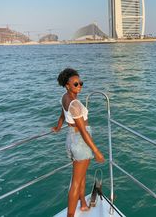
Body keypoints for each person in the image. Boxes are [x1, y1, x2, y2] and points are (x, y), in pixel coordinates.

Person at [52, 68, 104, 217]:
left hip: (71, 139)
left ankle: (82, 203)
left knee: (80, 176)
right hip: (80, 141)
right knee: (76, 182)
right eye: (75, 84)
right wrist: (97, 151)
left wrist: (58, 127)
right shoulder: (74, 104)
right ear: (67, 85)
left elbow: (63, 113)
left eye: (80, 83)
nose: (79, 85)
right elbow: (83, 131)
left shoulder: (65, 97)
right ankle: (70, 214)